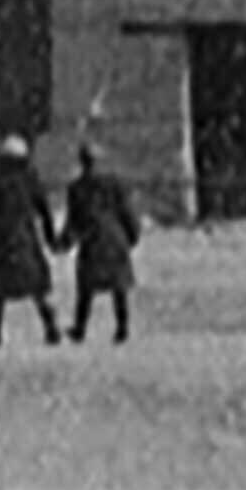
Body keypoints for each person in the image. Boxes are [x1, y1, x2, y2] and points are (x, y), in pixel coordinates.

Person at [0, 135, 63, 348]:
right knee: (35, 285)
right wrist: (51, 237)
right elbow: (44, 209)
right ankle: (50, 326)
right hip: (25, 236)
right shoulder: (29, 179)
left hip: (2, 238)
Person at [53, 143, 141, 346]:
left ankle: (80, 328)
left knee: (86, 288)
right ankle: (122, 328)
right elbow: (126, 211)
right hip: (115, 238)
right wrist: (133, 234)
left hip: (92, 240)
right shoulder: (114, 184)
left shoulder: (77, 188)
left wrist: (63, 243)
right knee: (119, 288)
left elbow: (73, 221)